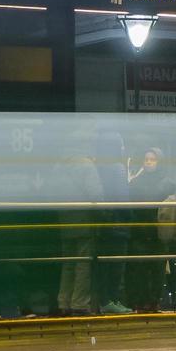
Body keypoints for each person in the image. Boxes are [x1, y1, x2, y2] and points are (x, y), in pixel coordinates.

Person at [50, 127, 103, 316]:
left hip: (64, 220)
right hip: (83, 220)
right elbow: (96, 194)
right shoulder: (86, 165)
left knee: (69, 263)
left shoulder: (58, 165)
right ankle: (79, 303)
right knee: (83, 263)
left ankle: (63, 301)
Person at [91, 128, 134, 314]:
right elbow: (123, 199)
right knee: (116, 267)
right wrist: (129, 219)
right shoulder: (117, 168)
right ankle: (111, 301)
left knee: (103, 266)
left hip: (101, 223)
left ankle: (103, 300)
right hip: (117, 225)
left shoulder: (97, 165)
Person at [126, 147, 174, 312]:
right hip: (142, 230)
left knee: (156, 268)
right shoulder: (139, 182)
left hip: (157, 231)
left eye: (152, 159)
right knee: (141, 268)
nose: (148, 162)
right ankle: (142, 300)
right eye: (146, 159)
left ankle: (153, 300)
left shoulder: (165, 182)